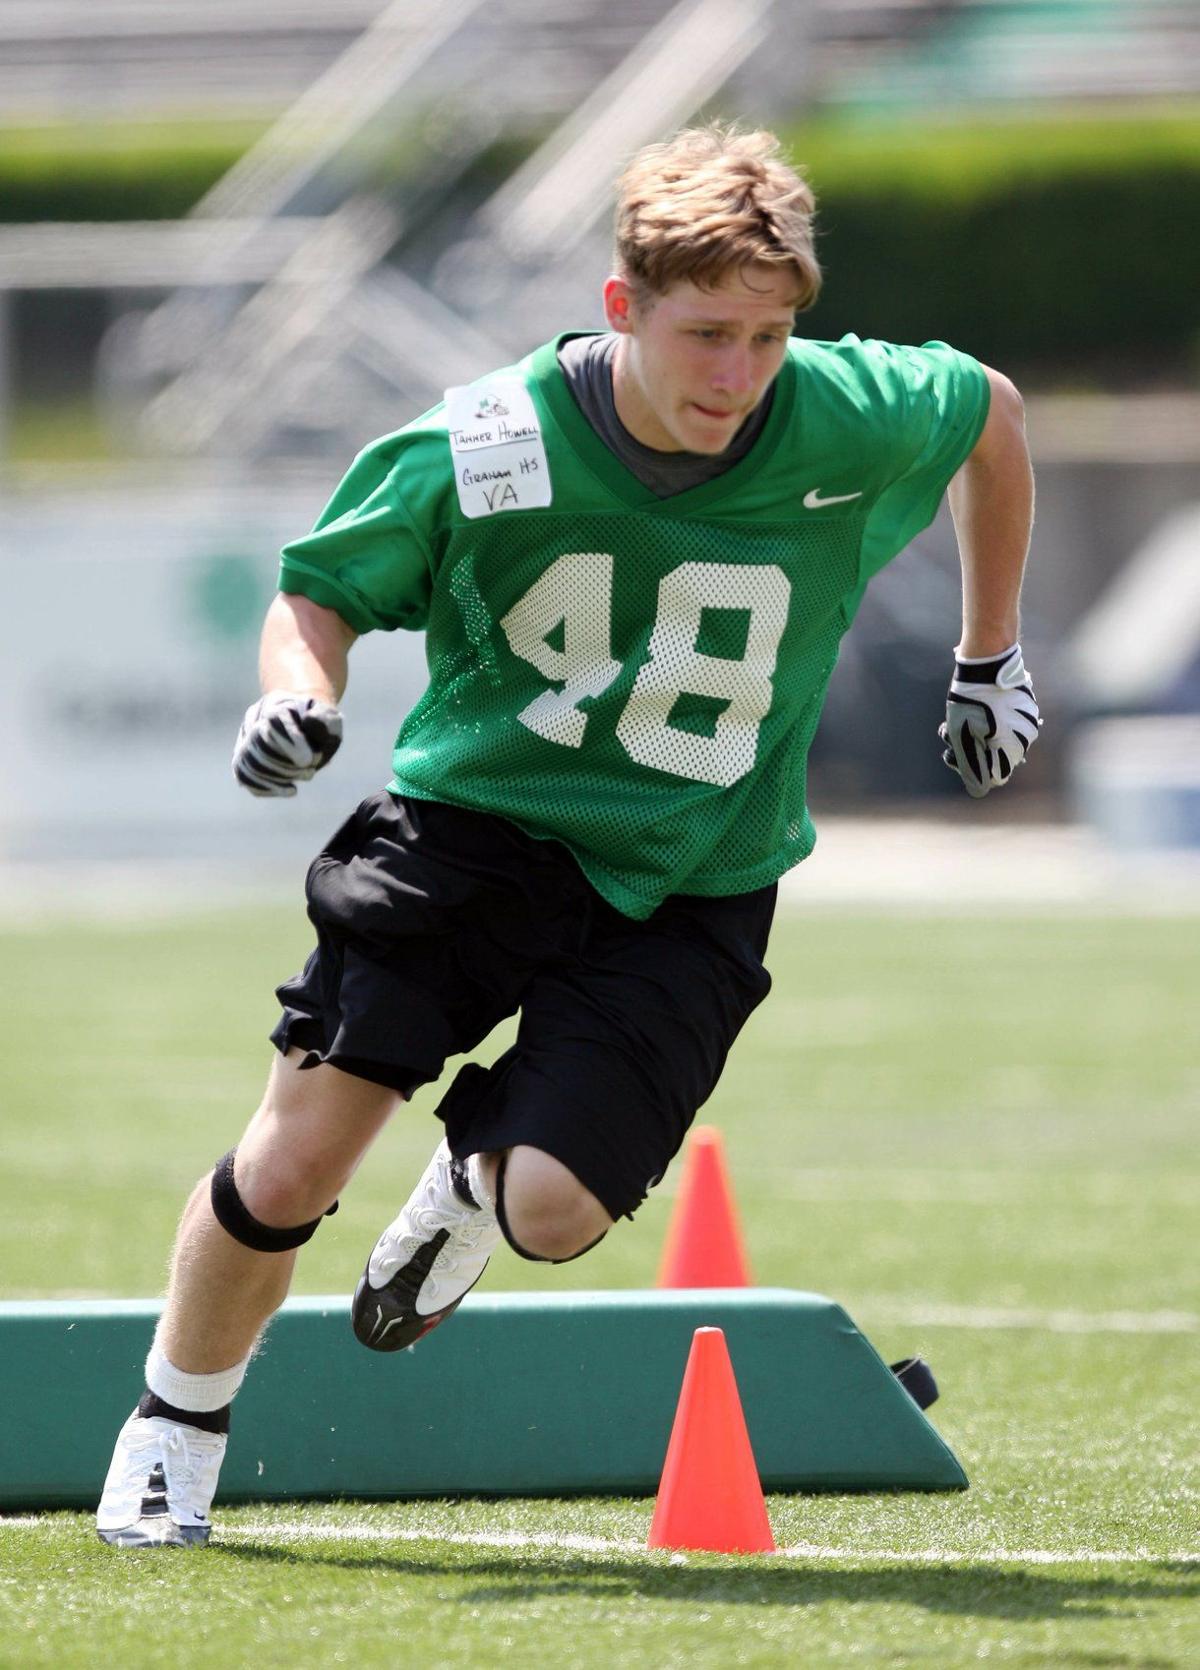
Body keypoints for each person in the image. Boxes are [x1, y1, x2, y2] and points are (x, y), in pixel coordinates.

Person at [96, 124, 1040, 1547]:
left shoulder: (843, 410)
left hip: (698, 874)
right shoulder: (494, 439)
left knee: (552, 1210)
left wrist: (991, 656)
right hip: (472, 832)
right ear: (622, 308)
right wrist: (300, 696)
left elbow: (992, 415)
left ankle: (470, 1185)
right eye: (707, 333)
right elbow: (320, 592)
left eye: (770, 336)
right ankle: (174, 1424)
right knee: (293, 1162)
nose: (739, 375)